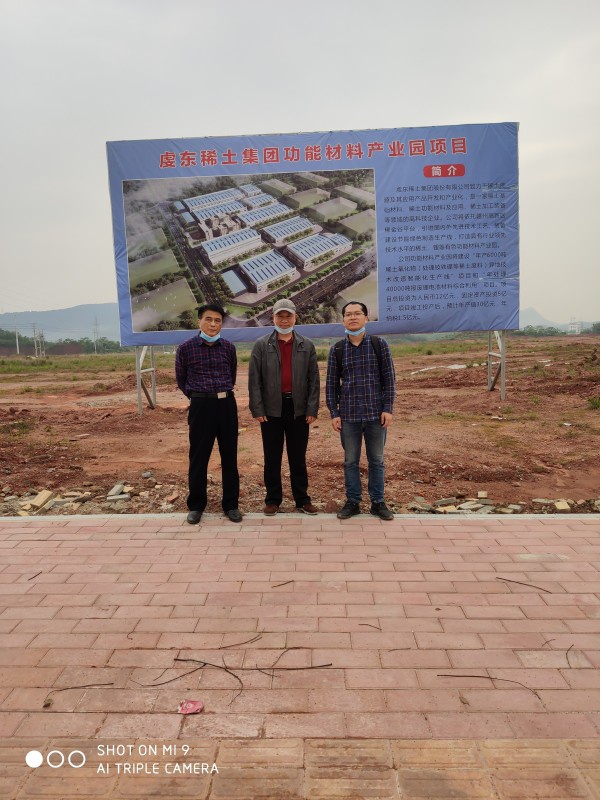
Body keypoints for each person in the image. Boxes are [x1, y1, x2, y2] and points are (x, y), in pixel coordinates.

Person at [248, 298, 320, 515]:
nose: (285, 320)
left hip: (298, 409)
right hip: (271, 410)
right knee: (272, 457)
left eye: (289, 316)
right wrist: (257, 409)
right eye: (280, 316)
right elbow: (254, 380)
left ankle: (302, 499)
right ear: (273, 318)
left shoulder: (306, 345)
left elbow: (313, 380)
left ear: (295, 317)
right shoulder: (262, 345)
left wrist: (312, 408)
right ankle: (273, 499)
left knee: (298, 457)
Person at [325, 301, 396, 520]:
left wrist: (388, 408)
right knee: (350, 461)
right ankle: (353, 501)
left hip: (376, 415)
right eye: (348, 314)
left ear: (366, 318)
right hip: (349, 417)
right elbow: (331, 385)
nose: (353, 317)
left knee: (377, 461)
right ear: (343, 320)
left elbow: (389, 379)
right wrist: (334, 413)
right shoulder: (337, 349)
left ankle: (378, 502)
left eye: (357, 314)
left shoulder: (379, 344)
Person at [175, 303, 242, 524]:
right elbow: (182, 379)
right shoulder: (186, 348)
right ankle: (196, 506)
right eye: (208, 319)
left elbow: (231, 375)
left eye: (217, 321)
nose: (213, 324)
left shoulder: (229, 348)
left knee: (229, 456)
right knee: (198, 457)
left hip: (226, 405)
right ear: (199, 321)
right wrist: (198, 397)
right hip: (201, 406)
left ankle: (231, 505)